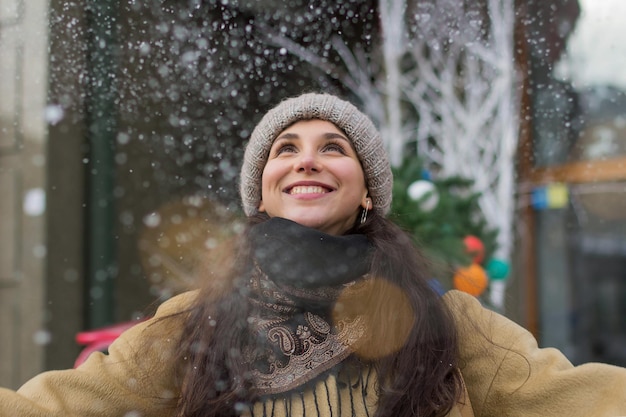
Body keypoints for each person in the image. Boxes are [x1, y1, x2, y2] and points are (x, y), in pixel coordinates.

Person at [2, 93, 626, 417]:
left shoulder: (448, 323)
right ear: (262, 197)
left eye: (333, 147)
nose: (306, 159)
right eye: (285, 149)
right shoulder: (193, 325)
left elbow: (576, 398)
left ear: (365, 194)